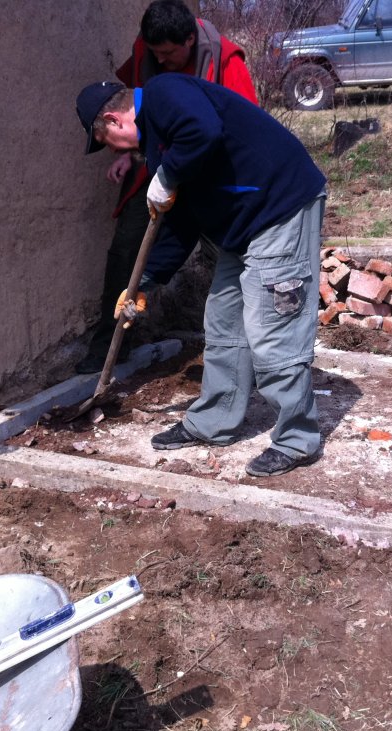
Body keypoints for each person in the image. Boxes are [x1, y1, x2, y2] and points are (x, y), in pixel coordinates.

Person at [75, 76, 327, 477]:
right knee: (224, 322)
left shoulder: (164, 94)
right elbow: (181, 223)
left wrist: (167, 175)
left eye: (106, 141)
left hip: (279, 209)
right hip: (242, 228)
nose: (113, 150)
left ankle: (297, 440)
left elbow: (203, 131)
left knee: (272, 328)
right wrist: (146, 281)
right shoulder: (160, 146)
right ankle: (214, 422)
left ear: (113, 120)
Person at [76, 0, 258, 374]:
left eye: (169, 54)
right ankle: (110, 345)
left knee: (232, 253)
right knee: (126, 248)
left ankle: (250, 347)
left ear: (189, 40)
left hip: (209, 174)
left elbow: (243, 127)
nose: (162, 60)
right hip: (153, 166)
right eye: (155, 53)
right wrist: (129, 153)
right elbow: (128, 108)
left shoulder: (225, 60)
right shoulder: (147, 52)